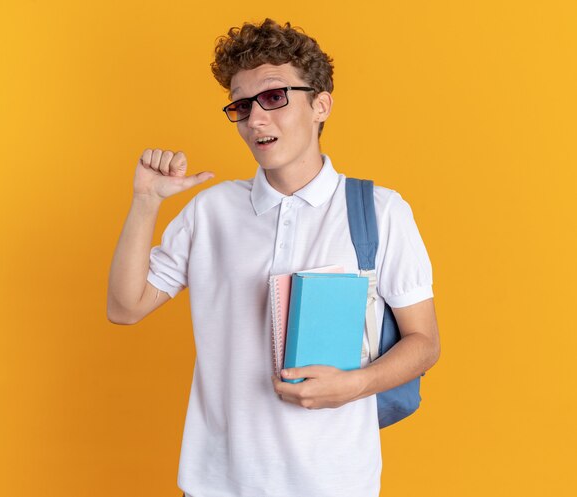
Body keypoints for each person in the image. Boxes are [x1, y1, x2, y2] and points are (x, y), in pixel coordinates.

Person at [107, 18, 440, 497]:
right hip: (215, 483)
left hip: (335, 484)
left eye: (274, 97)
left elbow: (424, 342)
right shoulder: (212, 211)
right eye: (242, 106)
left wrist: (356, 385)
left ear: (320, 105)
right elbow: (124, 308)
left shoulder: (379, 211)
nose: (255, 119)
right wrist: (145, 202)